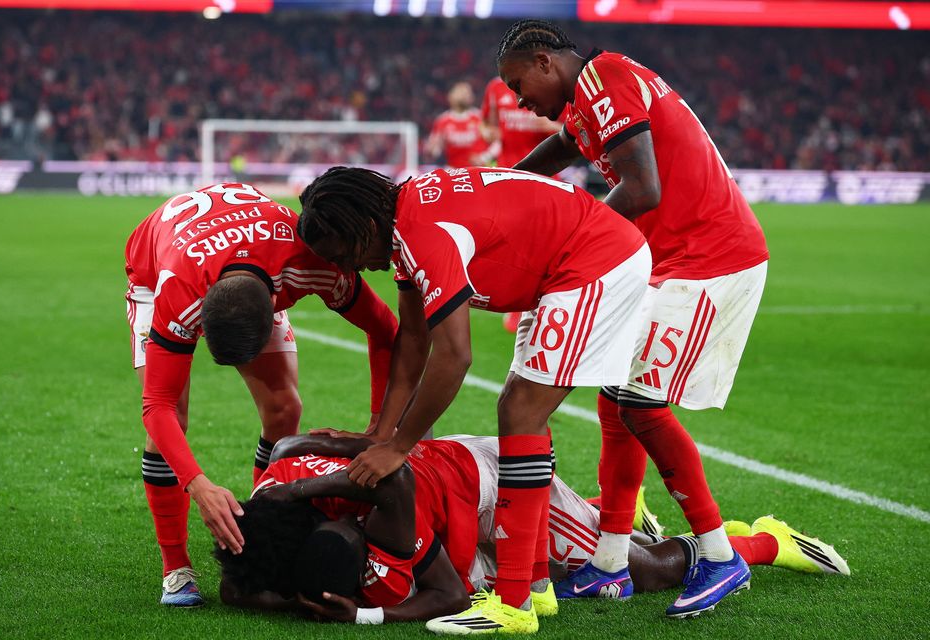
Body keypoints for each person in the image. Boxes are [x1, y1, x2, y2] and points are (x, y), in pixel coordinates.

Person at [296, 164, 653, 633]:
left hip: (595, 260)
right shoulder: (402, 219)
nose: (349, 269)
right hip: (565, 267)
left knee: (521, 410)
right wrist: (380, 434)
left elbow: (454, 356)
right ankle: (535, 588)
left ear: (365, 227)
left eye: (346, 254)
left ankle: (514, 605)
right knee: (520, 410)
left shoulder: (422, 234)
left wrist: (400, 447)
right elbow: (413, 338)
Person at [494, 20, 771, 618]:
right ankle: (610, 564)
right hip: (672, 261)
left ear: (545, 61)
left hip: (712, 258)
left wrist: (569, 244)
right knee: (614, 399)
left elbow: (642, 188)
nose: (520, 101)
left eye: (520, 85)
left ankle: (722, 555)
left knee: (640, 404)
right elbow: (563, 148)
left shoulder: (606, 77)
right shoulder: (594, 92)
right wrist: (507, 188)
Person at [215, 433, 850, 627]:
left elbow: (447, 595)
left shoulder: (365, 513)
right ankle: (608, 516)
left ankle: (761, 542)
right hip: (447, 524)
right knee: (583, 558)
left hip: (489, 482)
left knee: (632, 571)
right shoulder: (272, 502)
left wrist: (362, 617)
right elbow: (239, 584)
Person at [124, 182, 398, 606]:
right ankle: (175, 568)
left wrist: (380, 425)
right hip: (155, 268)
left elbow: (385, 330)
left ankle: (259, 531)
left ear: (276, 306)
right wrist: (198, 485)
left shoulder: (314, 263)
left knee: (284, 407)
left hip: (253, 257)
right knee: (171, 419)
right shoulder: (177, 292)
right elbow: (155, 406)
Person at [480, 76, 563, 333]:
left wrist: (547, 126)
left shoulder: (551, 86)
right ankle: (517, 306)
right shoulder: (494, 88)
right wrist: (491, 135)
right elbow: (485, 125)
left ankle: (546, 305)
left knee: (543, 246)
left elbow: (570, 129)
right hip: (508, 174)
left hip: (545, 175)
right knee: (513, 243)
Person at [426, 82, 491, 169]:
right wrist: (433, 150)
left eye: (467, 93)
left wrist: (484, 157)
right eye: (461, 92)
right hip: (454, 171)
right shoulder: (443, 121)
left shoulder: (479, 117)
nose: (465, 95)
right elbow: (435, 148)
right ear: (451, 96)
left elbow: (496, 142)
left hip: (477, 170)